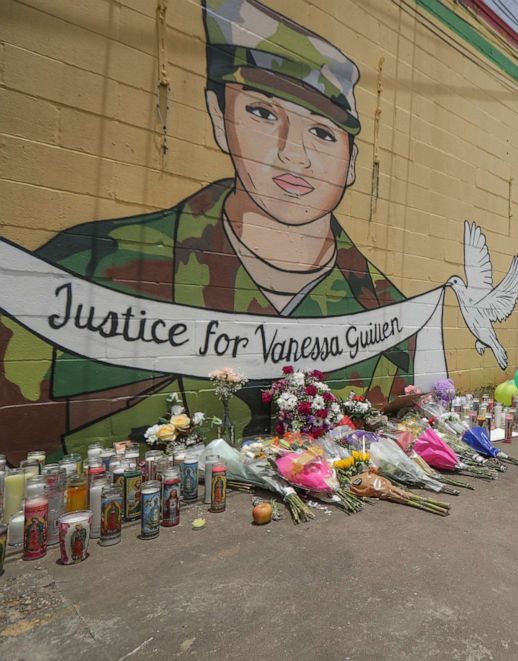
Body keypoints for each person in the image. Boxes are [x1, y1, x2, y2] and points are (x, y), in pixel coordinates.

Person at [0, 0, 413, 460]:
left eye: (322, 132)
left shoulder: (388, 316)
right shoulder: (83, 270)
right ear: (219, 118)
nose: (293, 155)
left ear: (352, 162)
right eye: (262, 113)